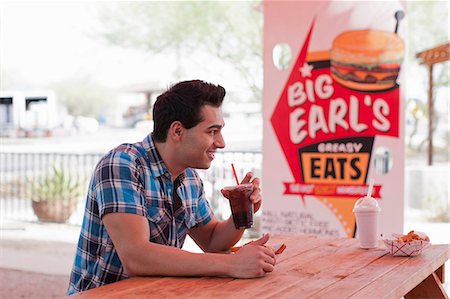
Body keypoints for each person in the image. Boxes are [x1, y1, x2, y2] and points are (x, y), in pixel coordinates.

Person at [67, 80, 276, 295]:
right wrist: (233, 264)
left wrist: (240, 212)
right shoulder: (123, 164)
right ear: (177, 131)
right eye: (212, 131)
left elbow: (212, 241)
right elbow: (136, 257)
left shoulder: (190, 177)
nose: (221, 143)